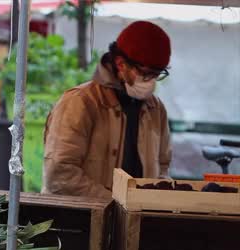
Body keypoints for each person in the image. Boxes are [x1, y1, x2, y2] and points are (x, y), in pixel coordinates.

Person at [42, 21, 173, 198]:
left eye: (157, 75)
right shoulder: (80, 102)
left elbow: (163, 165)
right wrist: (115, 203)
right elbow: (59, 174)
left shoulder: (155, 109)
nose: (151, 81)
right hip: (78, 219)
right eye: (146, 73)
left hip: (133, 219)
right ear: (120, 64)